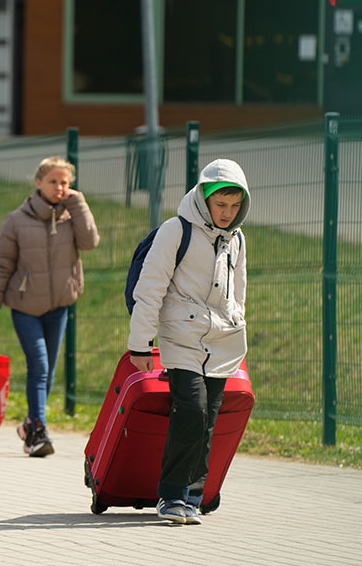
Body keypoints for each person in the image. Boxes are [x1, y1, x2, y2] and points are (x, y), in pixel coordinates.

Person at [128, 158, 250, 525]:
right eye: (220, 205)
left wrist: (236, 326)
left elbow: (237, 293)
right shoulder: (174, 230)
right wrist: (140, 344)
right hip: (181, 339)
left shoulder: (237, 239)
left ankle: (194, 496)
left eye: (234, 206)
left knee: (209, 418)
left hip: (222, 343)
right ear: (203, 198)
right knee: (191, 411)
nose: (227, 213)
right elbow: (149, 288)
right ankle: (172, 495)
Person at [0, 157, 99, 457]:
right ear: (38, 183)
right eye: (53, 181)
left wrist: (79, 204)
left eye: (65, 182)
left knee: (46, 373)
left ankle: (30, 424)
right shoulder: (15, 220)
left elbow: (90, 242)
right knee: (40, 366)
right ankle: (39, 432)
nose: (60, 188)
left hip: (59, 305)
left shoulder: (71, 216)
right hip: (25, 307)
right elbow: (3, 264)